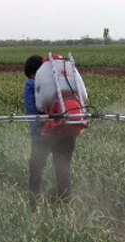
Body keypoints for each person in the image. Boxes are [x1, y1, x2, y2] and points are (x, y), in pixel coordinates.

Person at [23, 55, 77, 209]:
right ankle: (65, 207)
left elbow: (32, 114)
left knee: (36, 168)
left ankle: (33, 206)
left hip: (45, 134)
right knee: (63, 168)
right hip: (68, 129)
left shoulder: (31, 84)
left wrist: (37, 136)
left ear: (33, 73)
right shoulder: (63, 81)